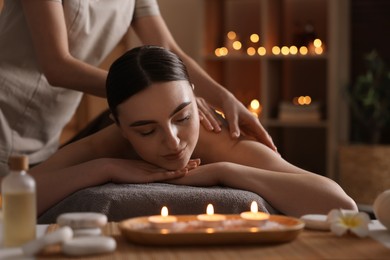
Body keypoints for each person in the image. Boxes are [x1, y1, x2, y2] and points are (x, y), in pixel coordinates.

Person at [28, 46, 357, 218]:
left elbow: (340, 205)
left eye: (182, 118)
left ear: (196, 101)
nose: (172, 141)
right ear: (120, 126)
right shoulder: (104, 145)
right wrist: (107, 168)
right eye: (146, 131)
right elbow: (10, 199)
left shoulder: (217, 141)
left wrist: (224, 172)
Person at [0, 0, 276, 176]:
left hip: (46, 131)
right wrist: (154, 95)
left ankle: (286, 179)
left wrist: (225, 98)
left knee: (193, 119)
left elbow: (168, 50)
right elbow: (57, 66)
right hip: (5, 113)